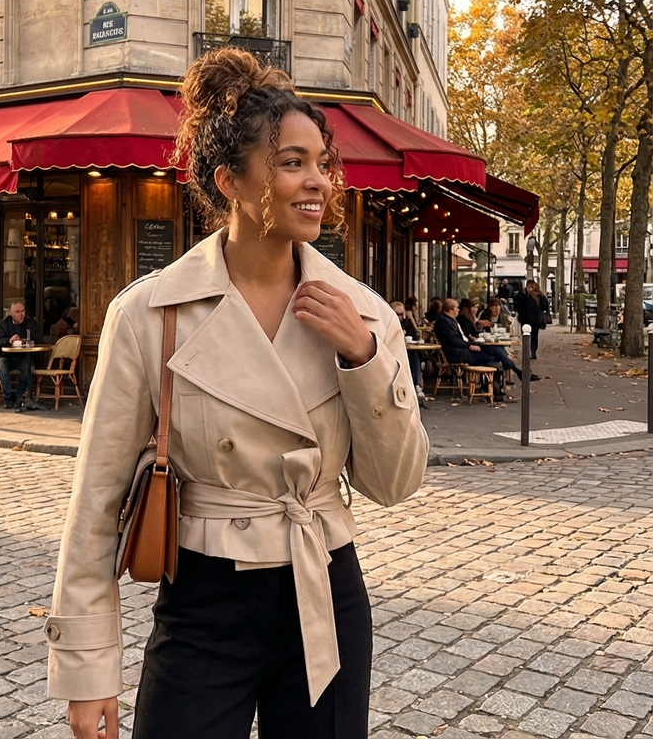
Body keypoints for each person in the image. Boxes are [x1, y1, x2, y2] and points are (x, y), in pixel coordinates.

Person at [45, 48, 429, 739]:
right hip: (204, 596)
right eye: (291, 163)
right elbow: (97, 501)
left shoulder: (361, 313)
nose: (318, 182)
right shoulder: (152, 313)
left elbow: (395, 484)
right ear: (229, 179)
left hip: (324, 589)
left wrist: (364, 358)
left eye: (322, 163)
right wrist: (87, 668)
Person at [0, 300, 42, 412]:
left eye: (23, 311)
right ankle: (8, 397)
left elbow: (37, 340)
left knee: (29, 368)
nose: (21, 314)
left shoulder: (31, 323)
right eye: (17, 311)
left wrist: (25, 341)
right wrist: (9, 340)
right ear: (10, 313)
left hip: (24, 356)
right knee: (1, 367)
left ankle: (18, 395)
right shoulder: (3, 324)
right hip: (5, 356)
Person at [391, 300, 423, 400]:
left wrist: (410, 320)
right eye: (398, 314)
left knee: (414, 355)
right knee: (411, 356)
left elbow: (414, 334)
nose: (400, 316)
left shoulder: (406, 321)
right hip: (393, 350)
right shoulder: (390, 322)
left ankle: (416, 384)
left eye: (402, 313)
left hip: (407, 348)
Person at [515, 280, 549, 360]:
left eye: (531, 286)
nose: (530, 288)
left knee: (534, 336)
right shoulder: (523, 295)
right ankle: (527, 351)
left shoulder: (539, 296)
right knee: (526, 336)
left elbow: (544, 306)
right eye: (528, 286)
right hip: (525, 319)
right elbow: (518, 306)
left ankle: (533, 352)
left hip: (535, 320)